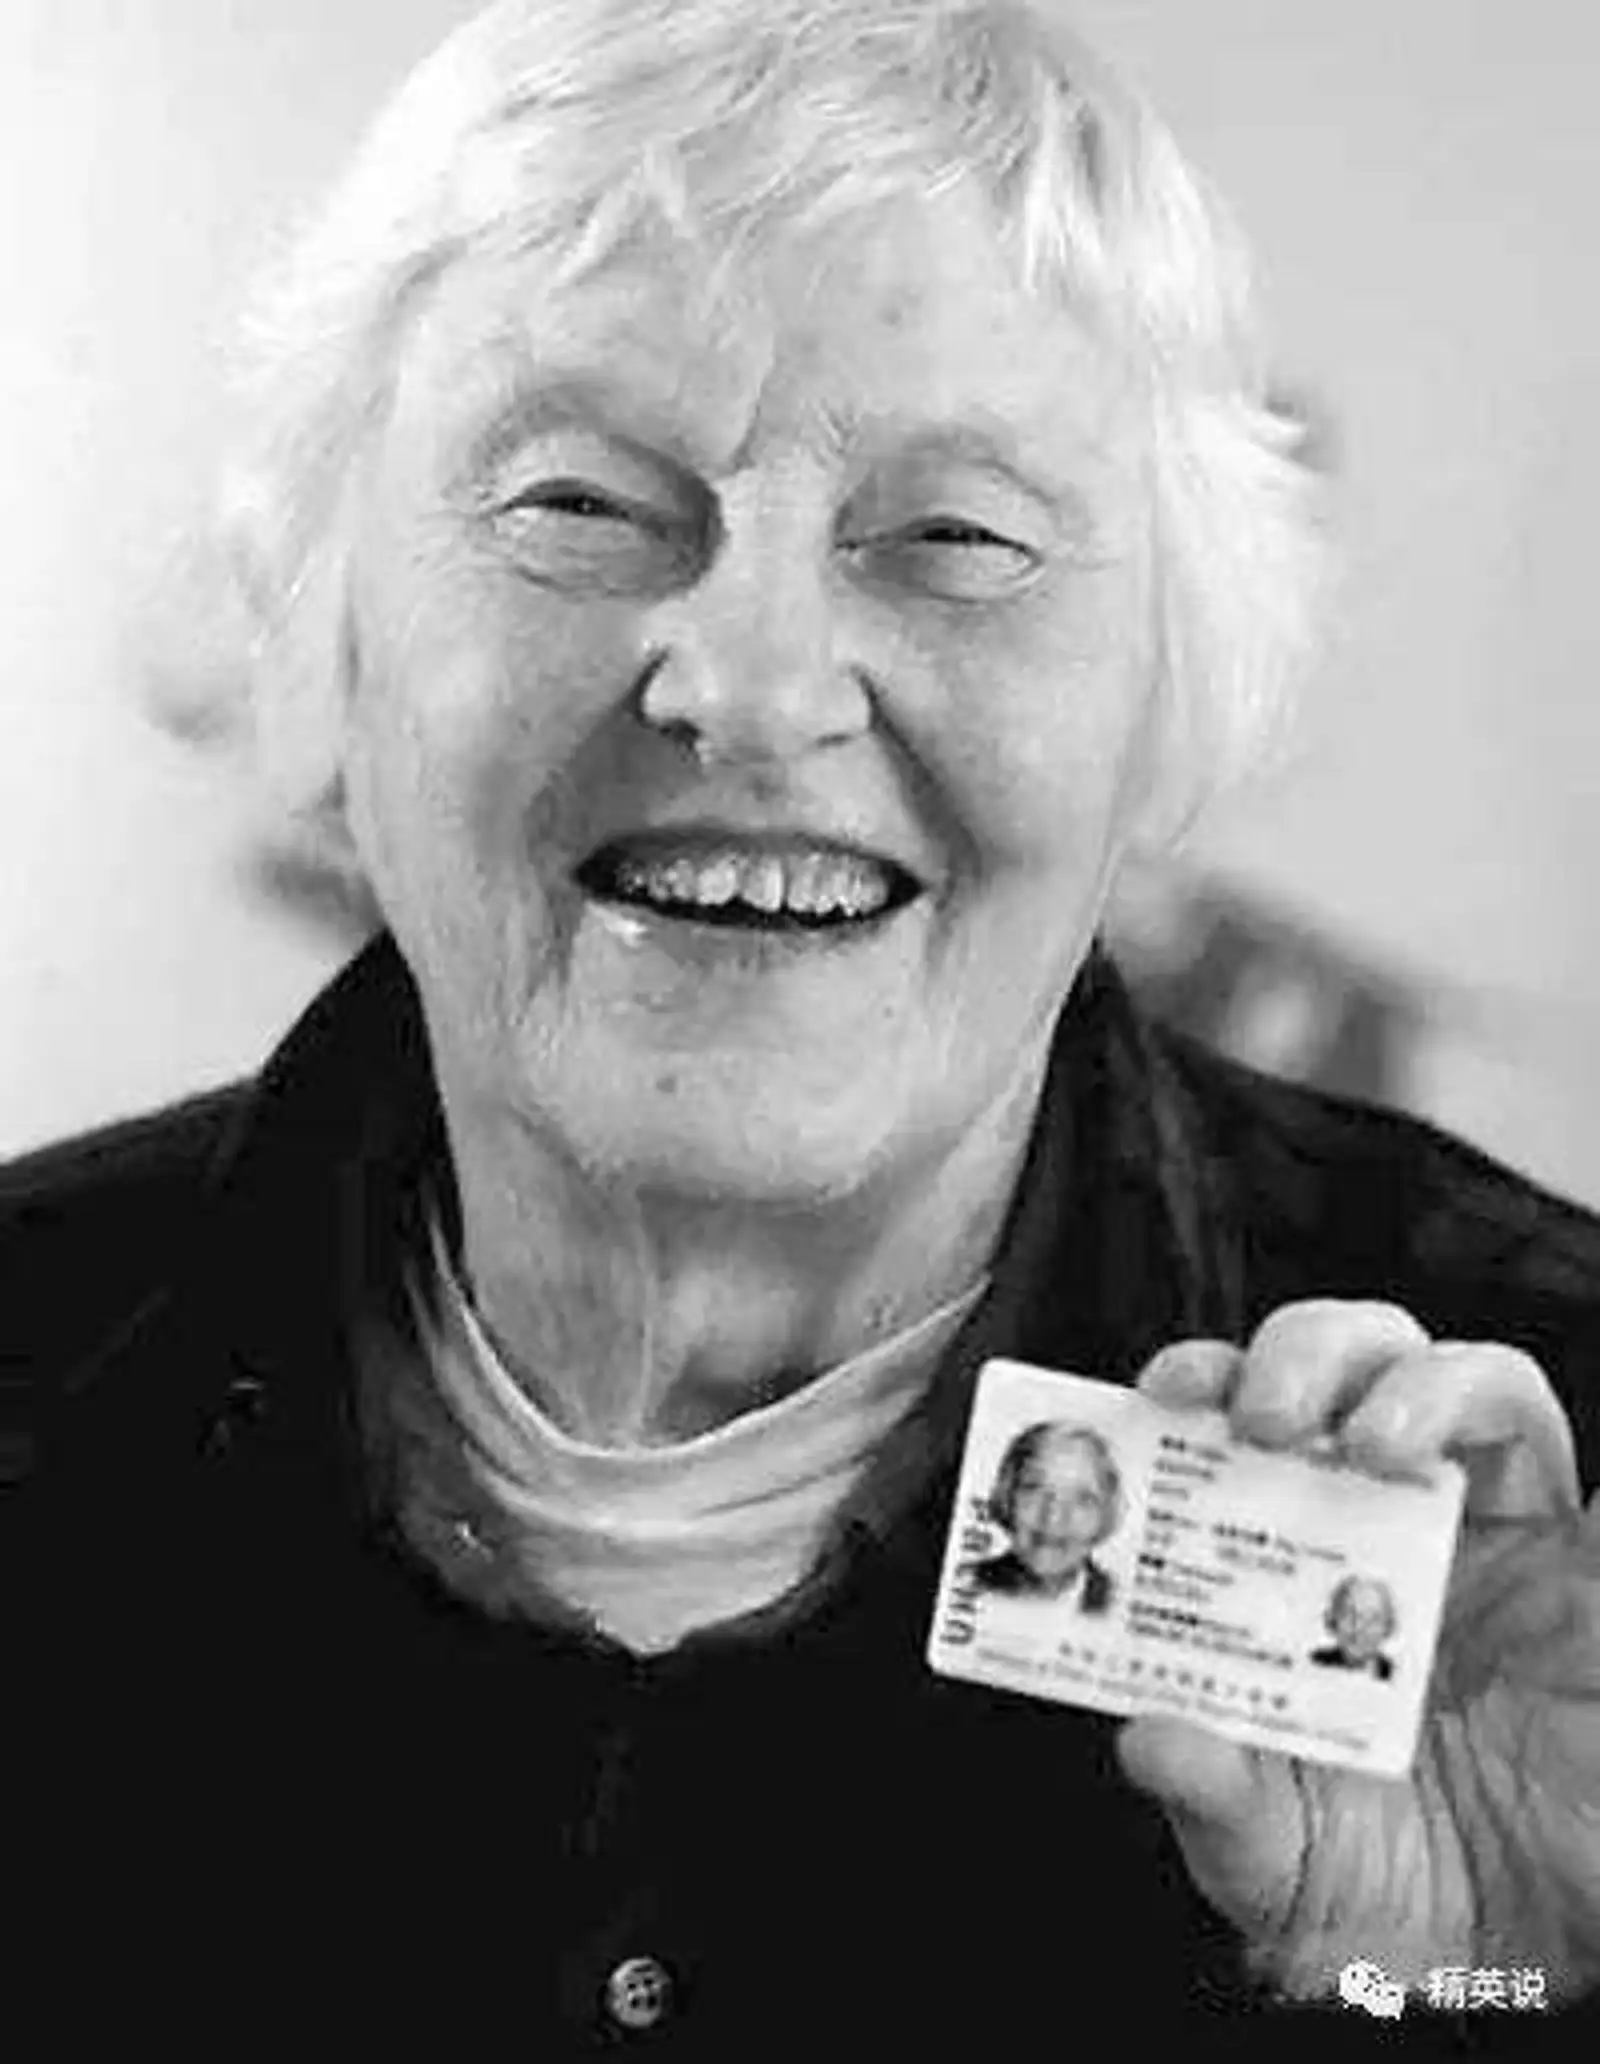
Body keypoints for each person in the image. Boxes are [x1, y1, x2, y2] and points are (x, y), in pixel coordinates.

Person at [7, 1, 1599, 2054]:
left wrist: (1459, 1994)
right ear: (324, 632)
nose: (754, 688)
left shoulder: (1543, 1530)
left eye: (955, 539)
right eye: (579, 505)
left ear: (1167, 696)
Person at [977, 1420, 1121, 1609]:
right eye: (1034, 1489)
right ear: (1007, 1496)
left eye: (1082, 1499)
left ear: (1105, 1513)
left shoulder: (1118, 1600)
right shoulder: (968, 1582)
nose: (1053, 1517)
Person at [1310, 1575, 1399, 1680]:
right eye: (1350, 1616)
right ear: (1333, 1620)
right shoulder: (1314, 1665)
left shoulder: (1394, 1676)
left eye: (1372, 1619)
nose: (1359, 1628)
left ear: (1388, 1627)